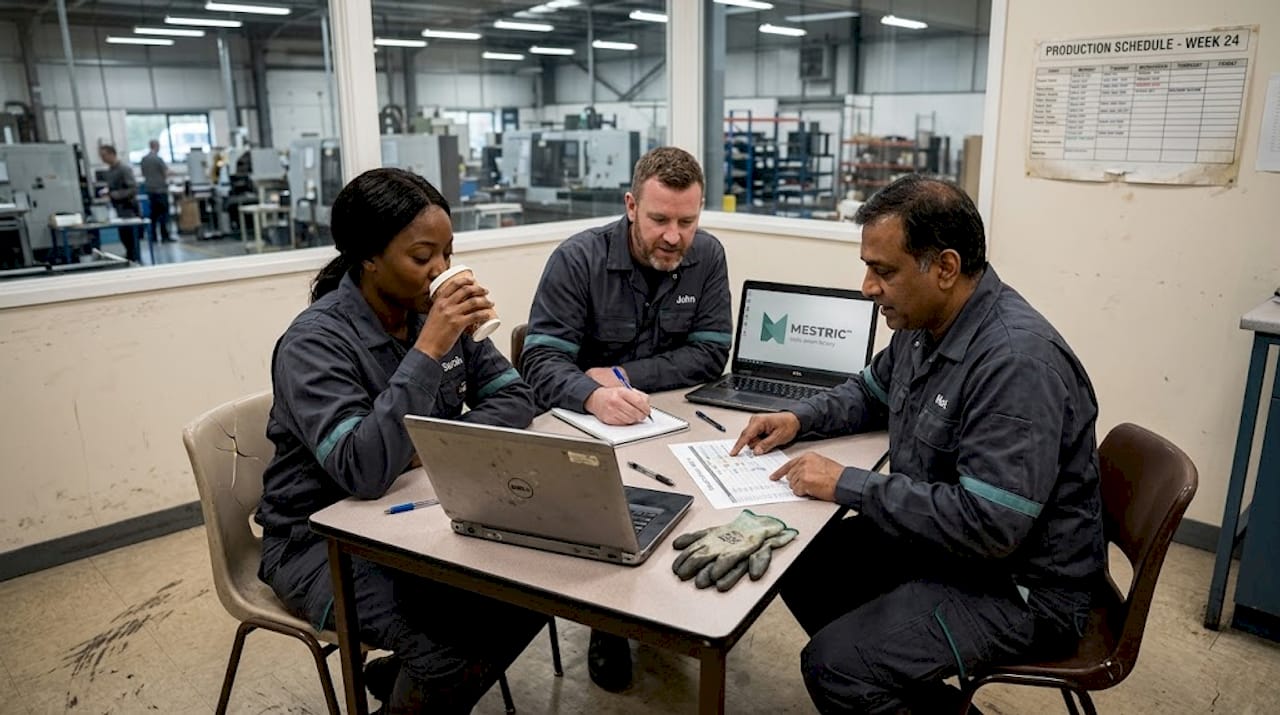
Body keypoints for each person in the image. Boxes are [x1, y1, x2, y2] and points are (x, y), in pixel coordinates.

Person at [731, 174, 1104, 714]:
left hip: (1021, 588)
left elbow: (990, 526)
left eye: (884, 271)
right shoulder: (923, 324)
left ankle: (870, 678)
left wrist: (847, 484)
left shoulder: (1016, 364)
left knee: (835, 666)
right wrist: (797, 418)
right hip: (951, 549)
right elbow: (870, 392)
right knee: (801, 560)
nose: (867, 287)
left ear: (945, 268)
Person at [256, 167, 545, 713]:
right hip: (318, 543)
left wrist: (429, 445)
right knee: (444, 647)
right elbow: (364, 471)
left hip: (419, 515)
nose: (442, 271)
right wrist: (428, 350)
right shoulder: (314, 343)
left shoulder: (433, 313)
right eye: (422, 257)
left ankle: (409, 683)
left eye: (448, 253)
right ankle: (421, 680)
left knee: (543, 589)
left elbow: (514, 398)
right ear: (368, 257)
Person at [521, 146, 733, 692]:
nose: (674, 237)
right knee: (608, 513)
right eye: (660, 219)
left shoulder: (708, 256)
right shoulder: (578, 259)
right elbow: (539, 360)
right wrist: (592, 396)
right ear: (631, 205)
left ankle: (666, 605)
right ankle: (607, 623)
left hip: (670, 420)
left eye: (687, 221)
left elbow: (711, 353)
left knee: (700, 501)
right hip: (586, 430)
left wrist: (619, 375)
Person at [97, 144, 140, 262]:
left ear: (112, 154)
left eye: (104, 155)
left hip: (128, 208)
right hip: (118, 208)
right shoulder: (110, 171)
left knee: (131, 238)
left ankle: (134, 260)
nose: (102, 159)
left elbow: (133, 189)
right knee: (124, 236)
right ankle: (130, 258)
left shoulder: (124, 169)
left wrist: (115, 194)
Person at [139, 140, 173, 243]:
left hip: (150, 190)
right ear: (157, 146)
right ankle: (164, 236)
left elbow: (143, 173)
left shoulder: (144, 159)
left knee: (153, 215)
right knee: (163, 215)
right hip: (160, 190)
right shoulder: (158, 159)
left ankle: (153, 237)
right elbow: (165, 172)